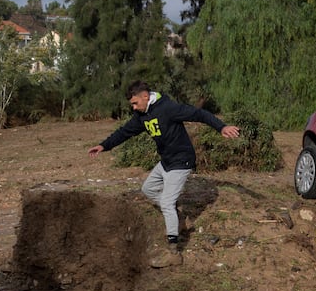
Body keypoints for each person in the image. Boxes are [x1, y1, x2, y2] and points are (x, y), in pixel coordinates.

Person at [88, 81, 240, 268]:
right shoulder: (141, 115)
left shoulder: (169, 108)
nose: (134, 107)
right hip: (166, 161)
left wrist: (221, 127)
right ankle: (178, 219)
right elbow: (125, 132)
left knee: (167, 202)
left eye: (135, 103)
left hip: (182, 161)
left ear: (145, 96)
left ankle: (173, 252)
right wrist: (104, 145)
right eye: (132, 105)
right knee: (148, 189)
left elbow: (199, 114)